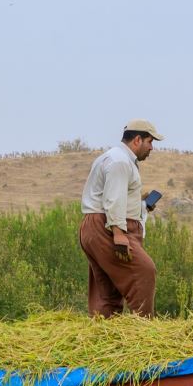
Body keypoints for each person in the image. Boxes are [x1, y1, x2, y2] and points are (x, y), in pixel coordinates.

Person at [79, 119, 163, 317]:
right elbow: (113, 198)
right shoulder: (120, 161)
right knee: (144, 271)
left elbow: (113, 196)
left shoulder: (113, 158)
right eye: (150, 142)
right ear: (137, 140)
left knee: (107, 287)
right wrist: (118, 233)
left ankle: (105, 331)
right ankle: (143, 329)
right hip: (106, 227)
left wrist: (142, 205)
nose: (151, 148)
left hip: (97, 226)